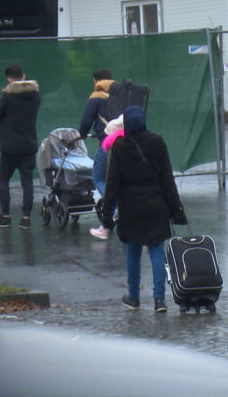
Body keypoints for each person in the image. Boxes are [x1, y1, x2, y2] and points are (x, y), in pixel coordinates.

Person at [100, 106, 187, 312]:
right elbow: (167, 179)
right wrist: (177, 210)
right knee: (157, 250)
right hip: (156, 205)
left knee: (132, 250)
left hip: (130, 208)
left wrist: (106, 213)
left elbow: (112, 182)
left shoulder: (120, 147)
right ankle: (159, 300)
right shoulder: (157, 142)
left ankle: (134, 297)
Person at [0, 64, 40, 229]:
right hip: (28, 145)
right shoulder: (35, 95)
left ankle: (5, 216)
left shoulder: (7, 96)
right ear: (23, 75)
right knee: (27, 181)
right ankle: (26, 217)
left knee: (3, 179)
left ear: (9, 79)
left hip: (9, 146)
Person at [78, 69, 116, 240]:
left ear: (95, 80)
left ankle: (117, 207)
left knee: (99, 178)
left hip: (107, 143)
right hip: (125, 142)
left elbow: (86, 119)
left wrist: (82, 133)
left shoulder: (96, 96)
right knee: (118, 179)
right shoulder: (120, 94)